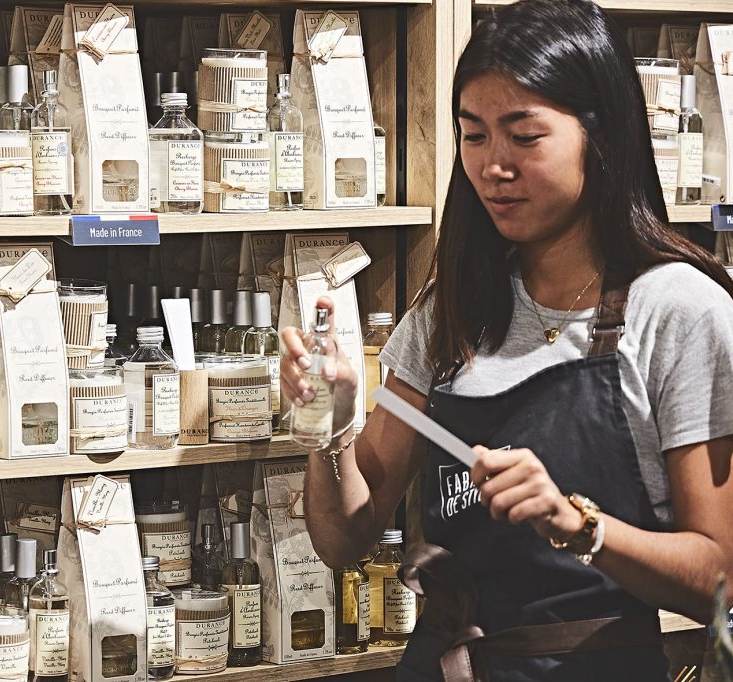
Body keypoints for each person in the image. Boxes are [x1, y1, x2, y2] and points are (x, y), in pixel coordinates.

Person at [282, 1, 733, 679]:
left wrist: (581, 527)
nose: (494, 166)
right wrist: (330, 426)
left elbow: (720, 578)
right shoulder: (451, 312)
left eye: (524, 137)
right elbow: (345, 539)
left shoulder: (678, 311)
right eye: (474, 135)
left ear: (599, 135)